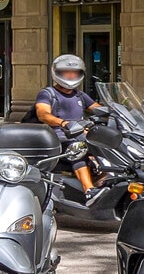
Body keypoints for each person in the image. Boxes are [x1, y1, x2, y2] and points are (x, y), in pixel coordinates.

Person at [35, 53, 95, 194]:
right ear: (57, 73)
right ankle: (90, 191)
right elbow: (42, 114)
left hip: (80, 134)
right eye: (66, 72)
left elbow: (99, 109)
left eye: (74, 73)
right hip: (60, 136)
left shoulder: (79, 95)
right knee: (78, 151)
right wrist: (63, 123)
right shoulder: (48, 93)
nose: (70, 76)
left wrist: (118, 112)